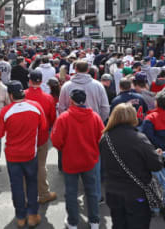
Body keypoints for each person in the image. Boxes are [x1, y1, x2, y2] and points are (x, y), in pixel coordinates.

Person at [99, 103, 163, 229]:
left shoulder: (105, 138)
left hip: (113, 192)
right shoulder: (139, 138)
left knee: (118, 224)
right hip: (136, 193)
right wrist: (157, 155)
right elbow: (156, 165)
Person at [0, 81, 48, 228]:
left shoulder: (6, 111)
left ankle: (20, 217)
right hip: (31, 153)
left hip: (12, 155)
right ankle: (32, 215)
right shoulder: (36, 107)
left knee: (16, 185)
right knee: (32, 183)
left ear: (10, 95)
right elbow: (44, 127)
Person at [51, 89, 104, 229]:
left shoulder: (64, 118)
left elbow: (56, 140)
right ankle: (94, 221)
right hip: (90, 160)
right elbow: (102, 139)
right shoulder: (95, 117)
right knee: (91, 192)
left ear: (71, 100)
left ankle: (73, 222)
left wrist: (64, 148)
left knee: (71, 192)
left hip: (70, 161)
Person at [24, 70, 57, 204]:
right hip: (42, 135)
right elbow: (52, 118)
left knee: (25, 166)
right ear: (41, 81)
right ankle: (43, 193)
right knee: (41, 165)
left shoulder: (23, 95)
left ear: (30, 81)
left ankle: (26, 196)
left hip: (25, 136)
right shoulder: (48, 98)